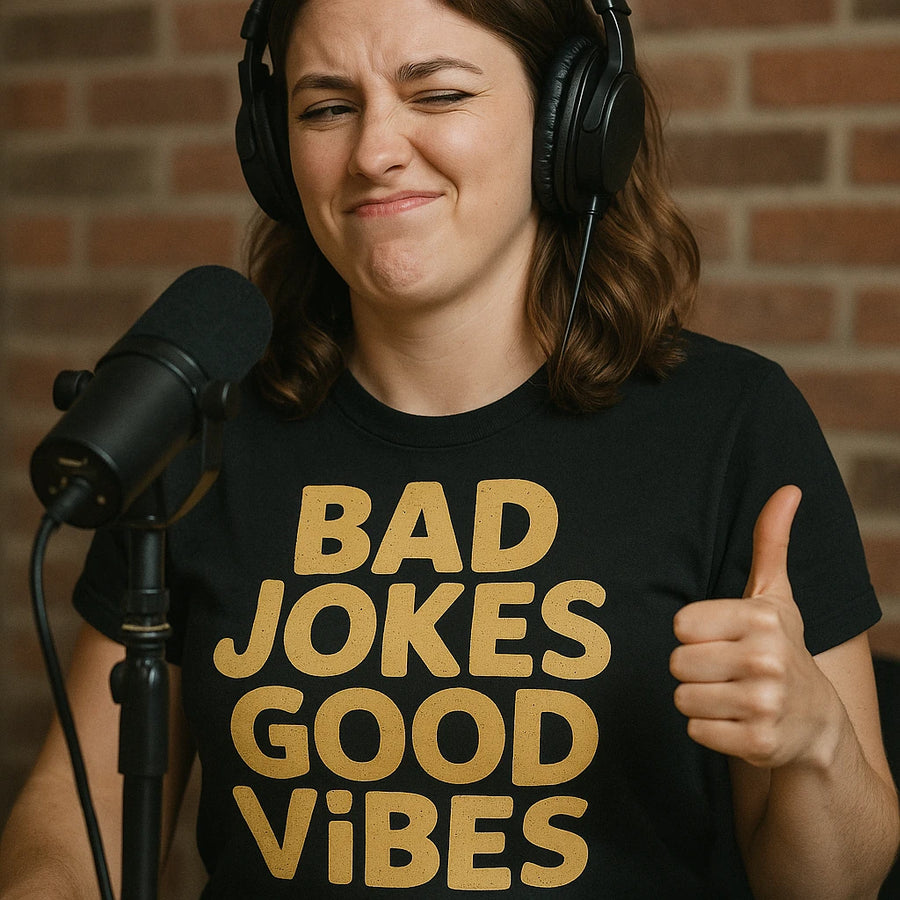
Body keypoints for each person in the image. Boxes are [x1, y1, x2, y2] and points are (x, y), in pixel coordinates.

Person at [1, 0, 898, 896]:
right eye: (325, 108)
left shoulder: (731, 423)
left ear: (573, 120)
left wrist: (814, 741)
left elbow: (836, 885)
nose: (373, 151)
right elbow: (76, 827)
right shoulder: (202, 426)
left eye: (436, 95)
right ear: (272, 153)